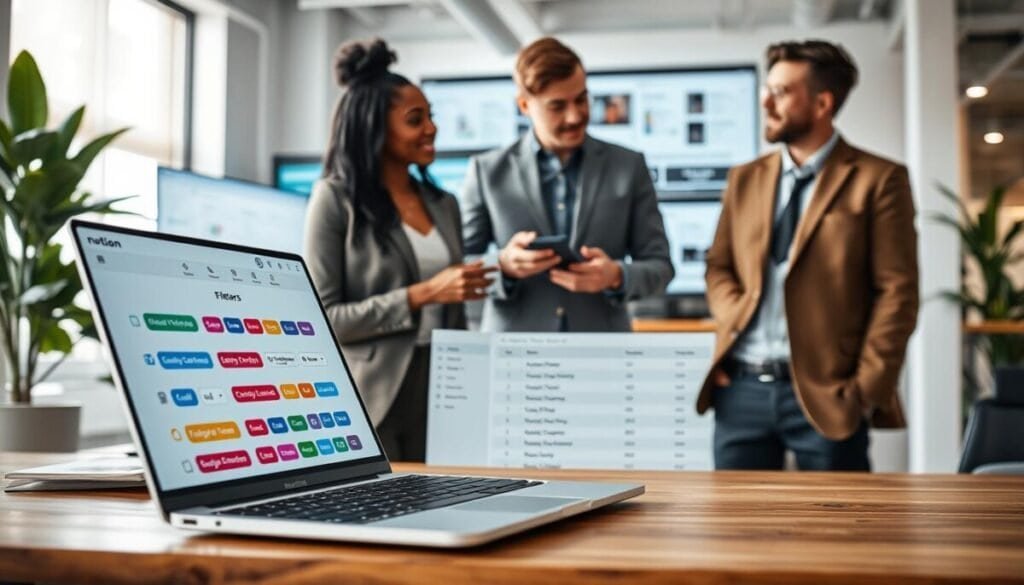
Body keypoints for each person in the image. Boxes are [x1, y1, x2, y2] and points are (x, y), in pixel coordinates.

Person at [697, 40, 919, 471]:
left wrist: (863, 390)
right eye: (768, 89)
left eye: (780, 92)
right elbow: (719, 267)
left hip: (829, 394)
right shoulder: (745, 179)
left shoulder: (879, 179)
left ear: (822, 103)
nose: (765, 101)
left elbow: (898, 293)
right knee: (737, 532)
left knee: (840, 533)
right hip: (740, 389)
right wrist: (734, 317)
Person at [304, 39, 495, 462]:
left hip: (442, 390)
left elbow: (456, 308)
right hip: (375, 395)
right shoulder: (334, 200)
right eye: (415, 119)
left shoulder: (442, 204)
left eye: (431, 117)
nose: (431, 128)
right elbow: (324, 320)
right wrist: (424, 293)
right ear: (375, 127)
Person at [461, 37, 673, 332]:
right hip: (514, 353)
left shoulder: (629, 166)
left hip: (602, 350)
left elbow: (660, 266)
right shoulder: (486, 172)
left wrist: (616, 275)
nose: (575, 116)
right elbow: (460, 266)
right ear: (524, 105)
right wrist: (503, 265)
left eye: (581, 99)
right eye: (557, 106)